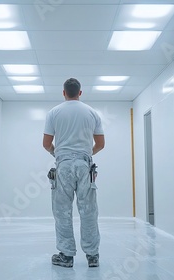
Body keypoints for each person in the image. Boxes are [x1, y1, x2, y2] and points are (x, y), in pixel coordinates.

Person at [42, 78, 105, 268]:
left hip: (64, 165)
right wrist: (86, 155)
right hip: (85, 166)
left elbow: (46, 144)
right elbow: (100, 144)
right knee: (88, 210)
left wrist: (59, 154)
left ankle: (67, 256)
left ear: (63, 93)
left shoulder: (54, 112)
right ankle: (92, 255)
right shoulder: (92, 113)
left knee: (62, 211)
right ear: (80, 92)